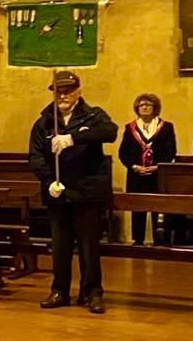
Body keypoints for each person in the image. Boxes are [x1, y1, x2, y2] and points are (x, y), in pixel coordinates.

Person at [30, 72, 117, 314]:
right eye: (58, 91)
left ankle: (92, 292)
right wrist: (49, 181)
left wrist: (73, 138)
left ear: (78, 91)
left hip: (87, 193)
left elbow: (110, 132)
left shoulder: (93, 115)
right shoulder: (45, 122)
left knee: (89, 248)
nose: (63, 95)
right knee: (60, 247)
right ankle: (59, 290)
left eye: (68, 90)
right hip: (58, 194)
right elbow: (36, 156)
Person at [118, 92, 177, 246]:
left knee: (157, 206)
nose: (144, 107)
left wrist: (157, 167)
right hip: (136, 175)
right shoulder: (130, 128)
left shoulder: (166, 127)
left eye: (148, 105)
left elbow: (171, 151)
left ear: (155, 108)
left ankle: (159, 241)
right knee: (137, 207)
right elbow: (123, 153)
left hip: (157, 175)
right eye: (141, 105)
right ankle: (138, 240)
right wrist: (134, 166)